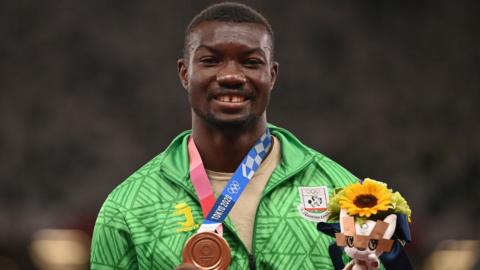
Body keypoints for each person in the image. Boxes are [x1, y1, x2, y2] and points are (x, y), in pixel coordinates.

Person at [90, 2, 358, 269]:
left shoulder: (344, 193)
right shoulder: (127, 209)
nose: (231, 75)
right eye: (210, 60)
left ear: (272, 76)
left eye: (251, 62)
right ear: (185, 73)